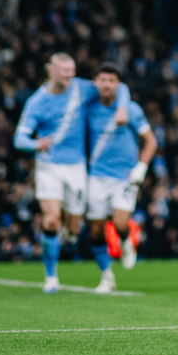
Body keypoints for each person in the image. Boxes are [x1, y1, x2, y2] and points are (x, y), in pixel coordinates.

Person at [14, 53, 131, 293]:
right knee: (51, 220)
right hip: (48, 166)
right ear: (51, 70)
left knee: (75, 229)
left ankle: (70, 237)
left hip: (76, 167)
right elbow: (19, 138)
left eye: (72, 71)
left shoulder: (81, 88)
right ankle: (51, 277)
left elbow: (121, 87)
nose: (69, 75)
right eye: (64, 71)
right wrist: (35, 144)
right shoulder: (37, 101)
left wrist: (122, 108)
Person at [85, 63, 157, 293]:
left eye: (111, 80)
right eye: (103, 79)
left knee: (119, 223)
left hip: (124, 177)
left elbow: (151, 141)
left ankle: (126, 241)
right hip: (96, 176)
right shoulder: (89, 108)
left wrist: (141, 168)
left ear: (118, 84)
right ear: (96, 82)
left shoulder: (131, 110)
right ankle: (106, 276)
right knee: (96, 230)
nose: (107, 84)